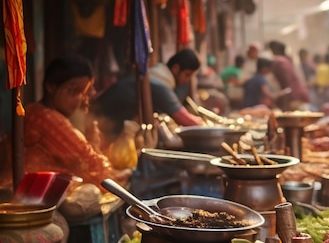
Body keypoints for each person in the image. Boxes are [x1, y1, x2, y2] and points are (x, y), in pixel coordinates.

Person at [19, 54, 130, 189]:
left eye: (82, 93)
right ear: (51, 86)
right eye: (73, 91)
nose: (78, 99)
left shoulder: (36, 111)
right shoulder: (46, 119)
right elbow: (89, 165)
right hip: (30, 198)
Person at [90, 49, 203, 149]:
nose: (187, 80)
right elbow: (184, 119)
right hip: (101, 123)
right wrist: (203, 125)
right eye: (187, 75)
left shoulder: (156, 76)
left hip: (106, 121)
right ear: (176, 68)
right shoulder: (159, 84)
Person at [268, 40, 310, 110]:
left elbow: (287, 83)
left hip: (294, 97)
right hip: (298, 95)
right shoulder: (286, 60)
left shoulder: (279, 61)